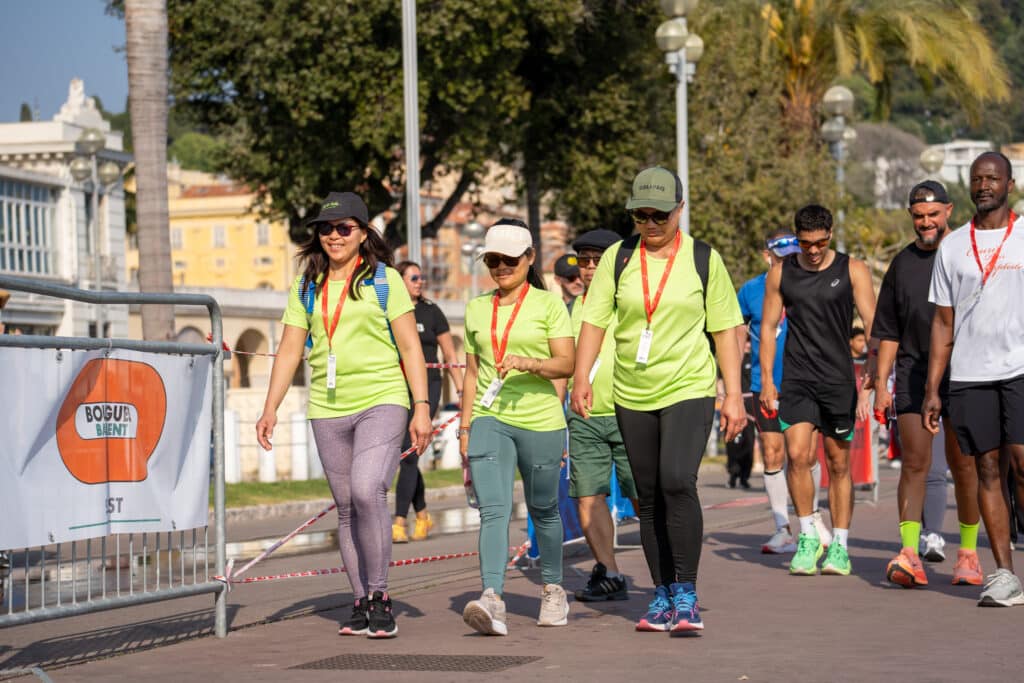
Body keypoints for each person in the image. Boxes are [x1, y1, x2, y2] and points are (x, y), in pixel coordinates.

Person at [572, 166, 745, 634]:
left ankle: (686, 592)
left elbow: (725, 330)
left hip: (689, 385)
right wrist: (581, 377)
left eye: (659, 215)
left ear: (679, 210)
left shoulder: (703, 259)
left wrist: (733, 395)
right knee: (647, 496)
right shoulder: (618, 258)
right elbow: (594, 321)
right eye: (641, 215)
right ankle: (663, 592)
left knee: (676, 481)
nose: (650, 224)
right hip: (631, 391)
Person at [255, 191, 433, 638]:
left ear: (363, 233)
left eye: (343, 228)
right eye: (325, 228)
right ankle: (359, 600)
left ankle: (380, 595)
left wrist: (422, 406)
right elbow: (290, 349)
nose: (333, 236)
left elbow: (410, 347)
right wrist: (270, 407)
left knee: (368, 489)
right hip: (327, 407)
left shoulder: (384, 280)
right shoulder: (306, 286)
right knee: (348, 507)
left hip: (382, 398)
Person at [459, 218, 575, 635]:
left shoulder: (548, 305)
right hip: (490, 418)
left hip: (541, 420)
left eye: (509, 259)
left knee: (543, 509)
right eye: (493, 260)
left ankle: (553, 589)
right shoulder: (476, 308)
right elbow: (472, 373)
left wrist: (530, 363)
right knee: (493, 509)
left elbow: (567, 363)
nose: (501, 267)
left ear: (530, 258)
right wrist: (465, 429)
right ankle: (492, 597)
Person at [924, 151, 1024, 606]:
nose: (984, 185)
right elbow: (942, 322)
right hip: (969, 375)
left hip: (1019, 369)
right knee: (987, 468)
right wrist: (933, 388)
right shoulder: (952, 247)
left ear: (1009, 184)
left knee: (1021, 462)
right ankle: (1004, 574)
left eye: (992, 178)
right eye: (977, 179)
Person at [872, 180, 983, 589]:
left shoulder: (967, 254)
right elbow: (888, 330)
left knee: (964, 465)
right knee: (915, 463)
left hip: (965, 372)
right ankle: (909, 553)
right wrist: (881, 385)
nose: (926, 222)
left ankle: (968, 555)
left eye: (933, 214)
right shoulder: (902, 264)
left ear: (949, 211)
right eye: (918, 216)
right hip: (914, 373)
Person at [760, 204, 876, 577]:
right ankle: (808, 537)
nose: (813, 250)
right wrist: (767, 380)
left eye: (820, 243)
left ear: (830, 235)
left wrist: (871, 376)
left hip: (838, 379)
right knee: (797, 456)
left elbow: (873, 325)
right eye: (806, 243)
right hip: (797, 379)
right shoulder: (781, 272)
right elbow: (768, 327)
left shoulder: (853, 269)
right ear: (798, 238)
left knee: (838, 463)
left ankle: (839, 545)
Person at [736, 231, 830, 554]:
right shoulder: (750, 291)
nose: (788, 262)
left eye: (793, 256)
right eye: (781, 257)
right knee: (773, 452)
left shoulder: (810, 282)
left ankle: (813, 519)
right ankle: (782, 529)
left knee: (805, 455)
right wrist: (733, 384)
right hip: (766, 385)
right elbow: (737, 335)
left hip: (806, 382)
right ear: (768, 256)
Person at [565, 228, 639, 603]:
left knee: (644, 496)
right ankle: (609, 573)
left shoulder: (632, 301)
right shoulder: (569, 309)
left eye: (598, 259)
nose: (590, 266)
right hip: (586, 416)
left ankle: (669, 576)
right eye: (584, 260)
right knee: (587, 497)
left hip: (632, 410)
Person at [391, 260, 464, 544]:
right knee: (405, 453)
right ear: (399, 281)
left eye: (421, 277)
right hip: (398, 385)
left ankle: (399, 521)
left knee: (409, 453)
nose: (420, 281)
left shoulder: (432, 312)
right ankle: (422, 514)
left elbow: (450, 355)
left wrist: (461, 390)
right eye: (414, 277)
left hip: (428, 386)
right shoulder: (391, 308)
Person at [726, 341, 755, 489]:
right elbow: (721, 380)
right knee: (733, 441)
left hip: (750, 406)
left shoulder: (754, 359)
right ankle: (733, 473)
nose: (747, 344)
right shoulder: (731, 359)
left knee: (749, 443)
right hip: (734, 402)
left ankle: (745, 476)